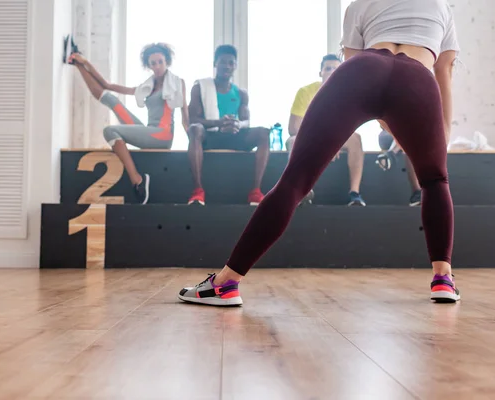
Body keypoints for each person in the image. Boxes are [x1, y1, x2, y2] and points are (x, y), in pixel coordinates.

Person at [178, 0, 460, 305]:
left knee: (294, 181)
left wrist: (379, 118)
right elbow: (444, 69)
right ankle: (443, 278)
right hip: (417, 79)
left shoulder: (360, 4)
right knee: (434, 180)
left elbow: (361, 66)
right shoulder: (441, 7)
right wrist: (443, 128)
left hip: (363, 70)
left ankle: (225, 283)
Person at [64, 37, 189, 204]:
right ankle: (76, 62)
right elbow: (106, 85)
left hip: (163, 136)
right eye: (153, 63)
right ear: (149, 66)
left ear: (167, 61)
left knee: (110, 131)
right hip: (149, 131)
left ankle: (137, 180)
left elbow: (185, 118)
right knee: (111, 100)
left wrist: (194, 147)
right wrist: (83, 62)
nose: (157, 66)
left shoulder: (177, 83)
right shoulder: (147, 87)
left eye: (160, 62)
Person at [186, 45, 270, 206]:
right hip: (210, 136)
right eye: (223, 62)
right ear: (215, 64)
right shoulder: (200, 87)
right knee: (194, 129)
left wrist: (237, 124)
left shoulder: (241, 93)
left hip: (233, 136)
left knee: (264, 132)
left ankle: (255, 192)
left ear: (235, 66)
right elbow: (193, 119)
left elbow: (247, 121)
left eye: (231, 63)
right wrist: (219, 123)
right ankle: (198, 191)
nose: (227, 66)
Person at [287, 54, 366, 206]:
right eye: (327, 68)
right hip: (309, 139)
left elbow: (350, 127)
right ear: (320, 72)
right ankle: (300, 190)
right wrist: (323, 141)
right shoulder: (305, 92)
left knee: (356, 138)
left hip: (335, 140)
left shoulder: (349, 95)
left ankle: (354, 194)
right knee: (292, 141)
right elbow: (293, 128)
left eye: (335, 69)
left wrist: (333, 142)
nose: (331, 71)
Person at [377, 130, 422, 206]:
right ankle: (417, 192)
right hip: (389, 135)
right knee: (410, 132)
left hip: (416, 137)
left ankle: (391, 154)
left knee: (414, 135)